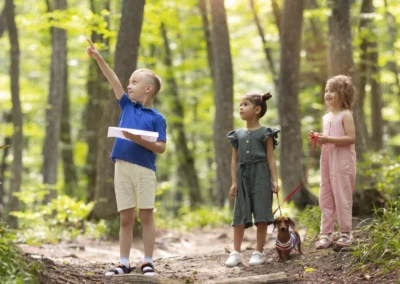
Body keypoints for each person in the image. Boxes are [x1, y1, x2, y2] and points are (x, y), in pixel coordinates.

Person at [86, 39, 167, 276]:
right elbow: (113, 81)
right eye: (129, 82)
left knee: (146, 215)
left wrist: (137, 138)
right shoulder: (127, 107)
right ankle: (123, 262)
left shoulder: (157, 117)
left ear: (148, 89)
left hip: (144, 170)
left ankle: (148, 261)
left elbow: (160, 147)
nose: (128, 86)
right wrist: (98, 57)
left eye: (134, 82)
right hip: (121, 167)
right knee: (125, 218)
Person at [225, 92, 280, 267]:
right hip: (242, 175)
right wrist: (234, 182)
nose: (241, 107)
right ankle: (235, 252)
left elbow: (271, 158)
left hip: (261, 175)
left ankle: (259, 251)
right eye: (240, 104)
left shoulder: (266, 133)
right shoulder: (237, 134)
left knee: (262, 213)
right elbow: (234, 160)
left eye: (245, 104)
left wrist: (275, 180)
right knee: (240, 212)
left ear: (257, 109)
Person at [310, 75, 356, 249]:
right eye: (326, 90)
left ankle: (346, 233)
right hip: (328, 159)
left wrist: (328, 138)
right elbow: (327, 141)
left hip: (343, 161)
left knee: (342, 194)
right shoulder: (326, 117)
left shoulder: (346, 115)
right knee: (326, 193)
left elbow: (351, 138)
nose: (328, 94)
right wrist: (320, 140)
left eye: (333, 91)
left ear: (343, 94)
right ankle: (325, 233)